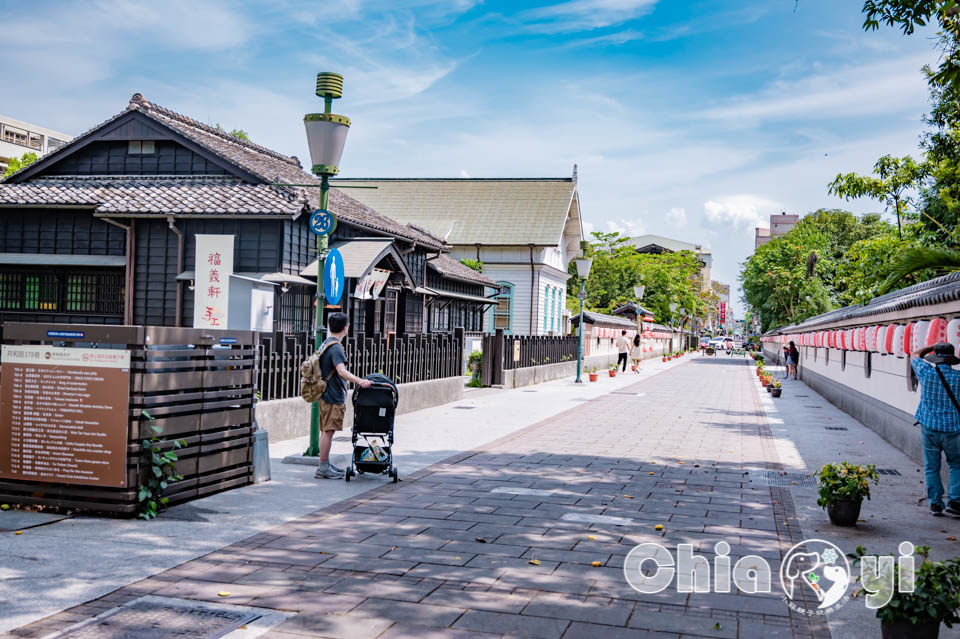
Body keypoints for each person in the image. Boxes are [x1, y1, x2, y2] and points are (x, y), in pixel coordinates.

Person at [314, 312, 372, 480]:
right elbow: (341, 371)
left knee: (325, 430)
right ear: (345, 328)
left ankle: (324, 463)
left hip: (325, 393)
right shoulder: (336, 347)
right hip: (332, 395)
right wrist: (360, 381)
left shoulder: (326, 343)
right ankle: (323, 467)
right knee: (329, 431)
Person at [911, 342, 960, 516]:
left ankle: (935, 503)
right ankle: (954, 502)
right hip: (953, 429)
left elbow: (915, 354)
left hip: (929, 427)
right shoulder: (959, 378)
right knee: (956, 465)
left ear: (936, 358)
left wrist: (931, 346)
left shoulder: (926, 373)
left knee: (931, 467)